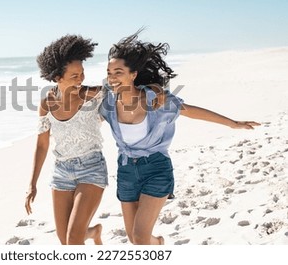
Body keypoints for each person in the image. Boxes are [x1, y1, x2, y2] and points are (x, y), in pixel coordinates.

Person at [100, 30, 260, 245]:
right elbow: (80, 115)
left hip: (155, 169)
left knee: (139, 238)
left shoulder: (157, 100)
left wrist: (232, 123)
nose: (112, 77)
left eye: (118, 72)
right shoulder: (107, 104)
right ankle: (159, 244)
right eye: (109, 72)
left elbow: (190, 110)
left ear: (133, 75)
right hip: (126, 171)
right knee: (135, 238)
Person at [25, 34, 107, 245]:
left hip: (91, 167)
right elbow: (42, 144)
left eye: (82, 73)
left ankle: (89, 234)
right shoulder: (47, 104)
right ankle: (95, 232)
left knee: (73, 239)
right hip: (61, 172)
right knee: (65, 240)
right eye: (74, 75)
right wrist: (32, 184)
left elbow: (124, 90)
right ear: (57, 77)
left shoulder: (93, 95)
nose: (80, 79)